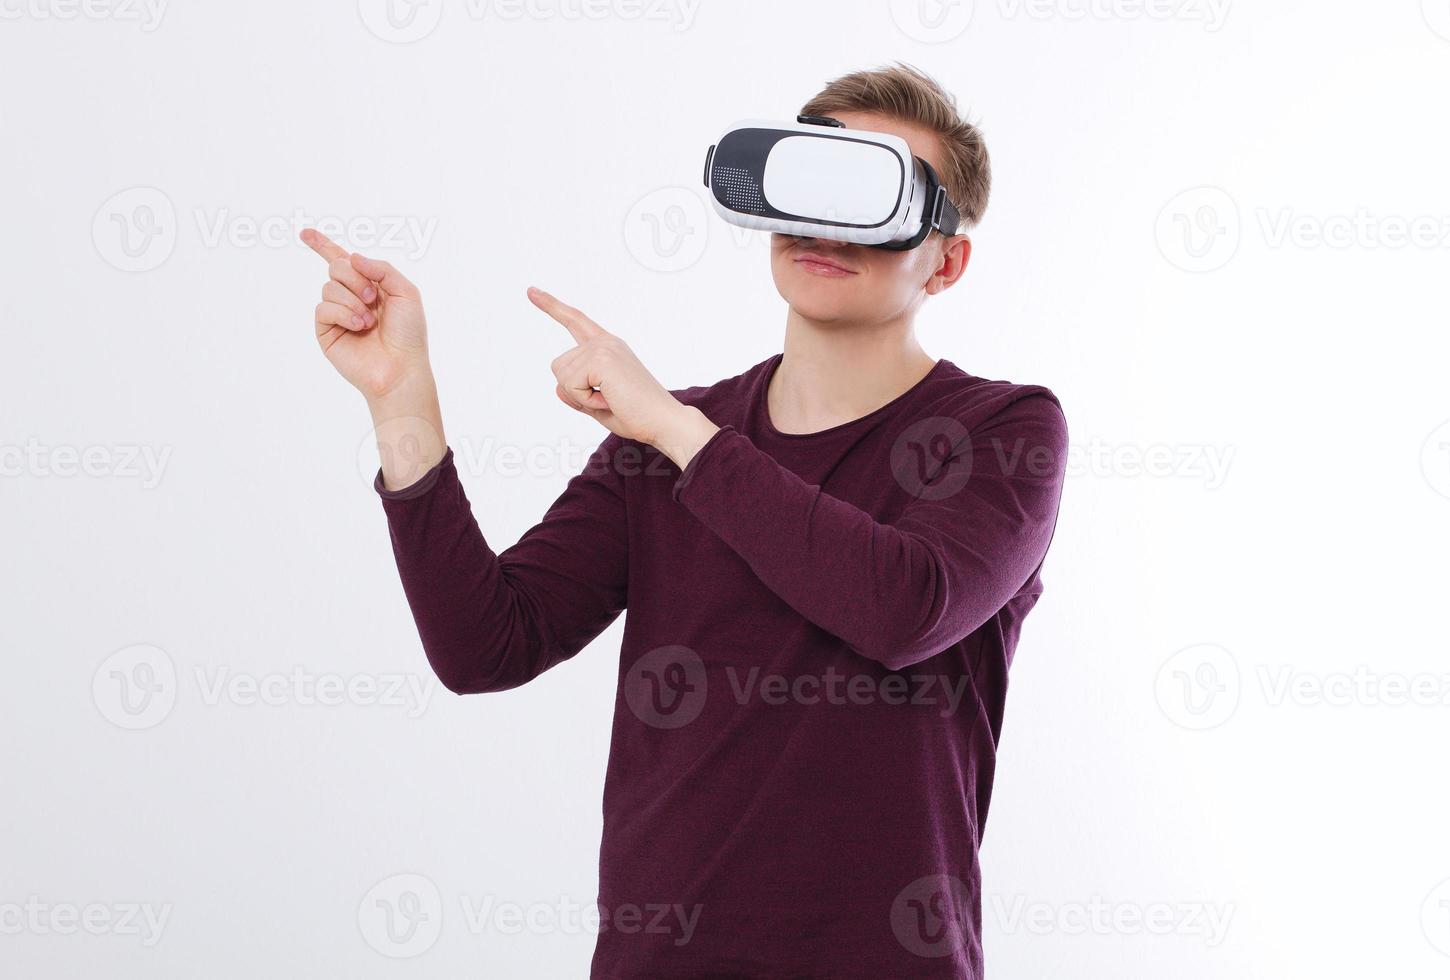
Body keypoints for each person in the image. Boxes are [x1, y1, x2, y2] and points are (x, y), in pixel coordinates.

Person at [303, 63, 1068, 979]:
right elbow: (485, 648)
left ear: (946, 260)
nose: (826, 226)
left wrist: (675, 431)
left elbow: (904, 610)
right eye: (811, 186)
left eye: (873, 197)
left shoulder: (1003, 430)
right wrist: (402, 402)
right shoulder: (659, 441)